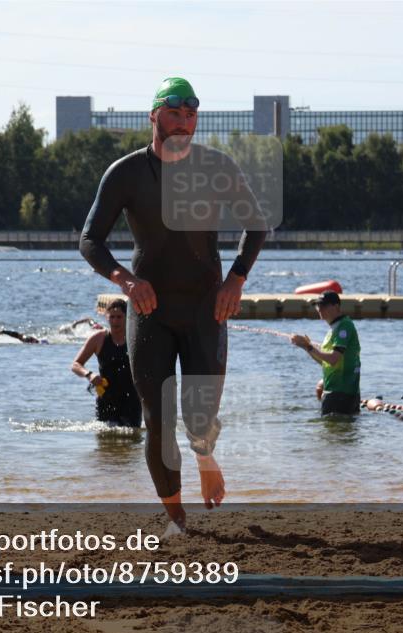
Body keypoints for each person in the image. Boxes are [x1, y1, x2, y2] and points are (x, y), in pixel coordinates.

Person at [79, 76, 266, 532]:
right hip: (151, 311)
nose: (184, 123)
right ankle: (178, 519)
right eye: (175, 114)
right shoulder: (125, 173)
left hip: (207, 309)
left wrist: (235, 280)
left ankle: (204, 455)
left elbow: (256, 225)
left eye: (191, 115)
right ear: (154, 116)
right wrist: (125, 280)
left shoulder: (216, 167)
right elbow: (90, 241)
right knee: (157, 421)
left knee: (199, 418)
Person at [71, 299, 142, 428]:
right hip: (106, 399)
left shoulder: (135, 338)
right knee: (105, 443)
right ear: (106, 317)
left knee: (132, 440)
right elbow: (76, 364)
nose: (115, 321)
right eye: (112, 317)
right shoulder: (98, 339)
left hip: (132, 400)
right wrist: (89, 375)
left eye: (119, 317)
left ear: (127, 318)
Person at [290, 291, 361, 416]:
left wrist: (309, 346)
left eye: (324, 305)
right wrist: (305, 347)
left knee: (331, 433)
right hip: (336, 393)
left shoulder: (344, 326)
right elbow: (326, 362)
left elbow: (333, 359)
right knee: (337, 433)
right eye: (318, 306)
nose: (319, 309)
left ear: (336, 306)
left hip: (341, 394)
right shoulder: (333, 330)